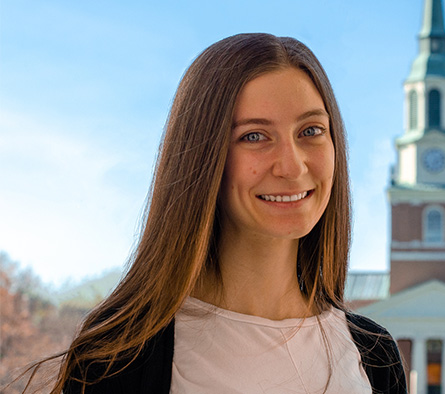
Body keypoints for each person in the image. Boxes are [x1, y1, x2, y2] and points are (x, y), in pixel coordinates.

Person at [25, 33, 406, 394]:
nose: (292, 166)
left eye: (310, 130)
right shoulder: (118, 360)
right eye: (254, 136)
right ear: (202, 158)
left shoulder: (376, 357)